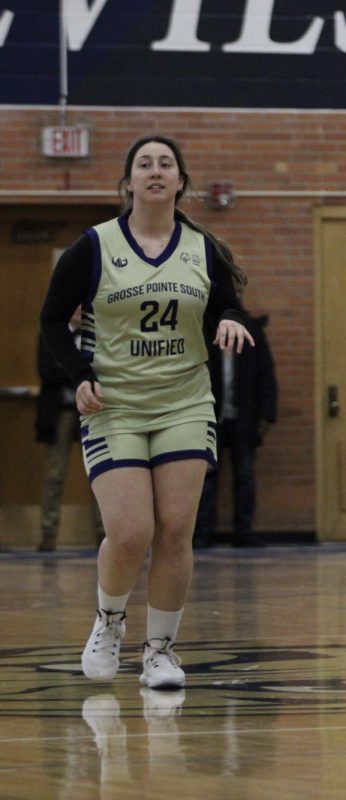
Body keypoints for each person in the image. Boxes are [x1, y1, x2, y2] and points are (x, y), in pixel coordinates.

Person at [40, 135, 254, 691]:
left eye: (166, 164)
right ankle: (109, 620)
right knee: (131, 532)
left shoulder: (202, 247)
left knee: (176, 528)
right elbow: (49, 323)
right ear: (128, 182)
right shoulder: (93, 247)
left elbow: (229, 300)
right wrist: (80, 376)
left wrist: (230, 318)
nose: (155, 171)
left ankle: (160, 650)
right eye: (144, 164)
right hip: (116, 405)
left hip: (184, 399)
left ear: (181, 181)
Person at [194, 294, 278, 549]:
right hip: (210, 416)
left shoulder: (252, 332)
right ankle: (203, 531)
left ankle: (244, 530)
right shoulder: (203, 331)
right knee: (206, 477)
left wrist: (265, 417)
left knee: (244, 474)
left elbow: (266, 376)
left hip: (243, 418)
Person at [36, 306, 105, 551]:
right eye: (72, 305)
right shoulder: (50, 333)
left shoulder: (96, 335)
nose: (76, 310)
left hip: (91, 411)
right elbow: (46, 370)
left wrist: (79, 375)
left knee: (99, 472)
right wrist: (80, 376)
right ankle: (48, 531)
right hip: (61, 412)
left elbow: (102, 371)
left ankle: (103, 532)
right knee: (54, 474)